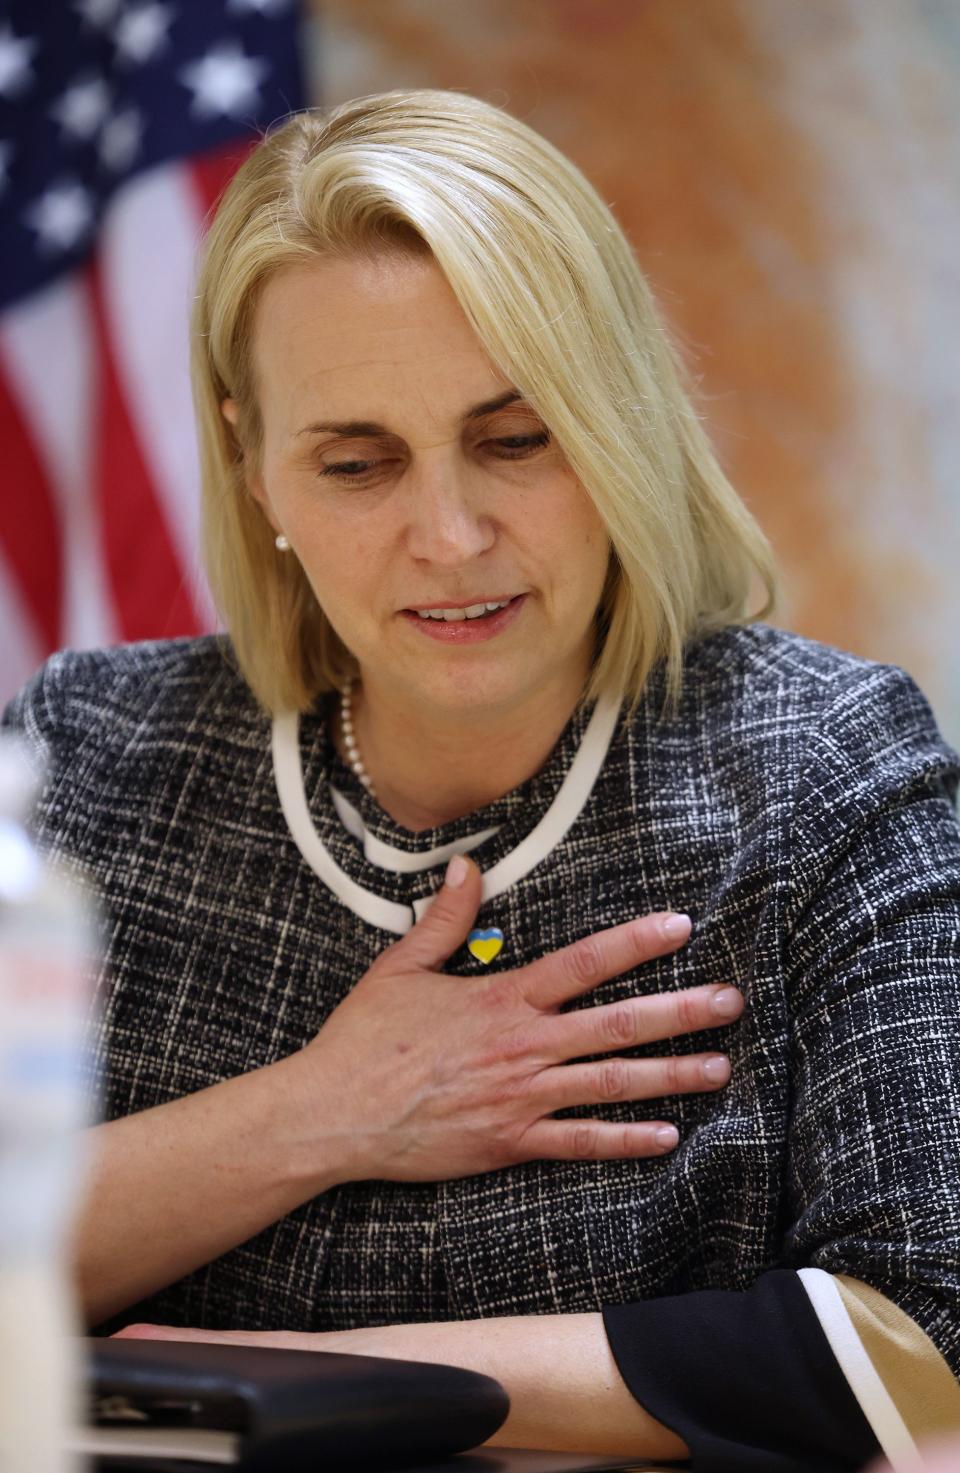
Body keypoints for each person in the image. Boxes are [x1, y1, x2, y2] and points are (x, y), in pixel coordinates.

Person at [4, 88, 959, 1472]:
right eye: (356, 462)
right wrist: (323, 1111)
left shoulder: (824, 763)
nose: (448, 535)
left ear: (615, 417)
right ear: (250, 463)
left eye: (515, 439)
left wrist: (312, 1380)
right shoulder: (93, 757)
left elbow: (925, 1333)